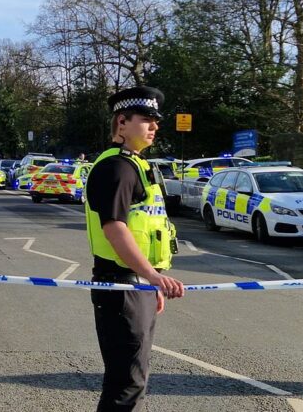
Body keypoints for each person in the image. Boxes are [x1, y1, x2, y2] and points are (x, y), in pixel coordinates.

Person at [85, 86, 185, 411]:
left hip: (135, 284)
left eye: (156, 120)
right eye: (146, 119)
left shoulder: (136, 165)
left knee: (133, 380)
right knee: (126, 383)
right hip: (120, 284)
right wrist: (151, 277)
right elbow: (114, 228)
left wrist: (150, 279)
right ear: (122, 123)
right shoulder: (117, 167)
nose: (154, 126)